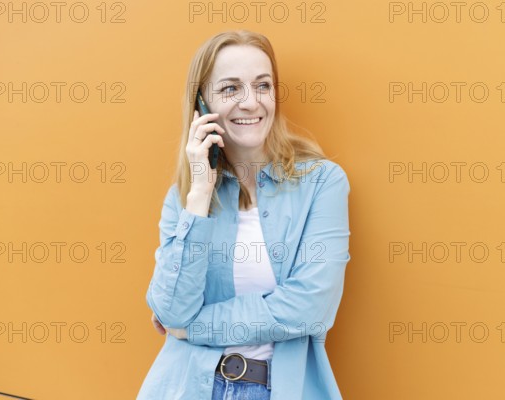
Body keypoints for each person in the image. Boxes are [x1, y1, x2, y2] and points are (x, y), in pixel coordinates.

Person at [136, 30, 351, 400]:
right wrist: (200, 192)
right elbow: (172, 309)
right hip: (187, 387)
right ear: (202, 105)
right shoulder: (185, 200)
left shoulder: (323, 183)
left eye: (262, 85)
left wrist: (193, 327)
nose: (251, 102)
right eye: (231, 89)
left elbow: (309, 307)